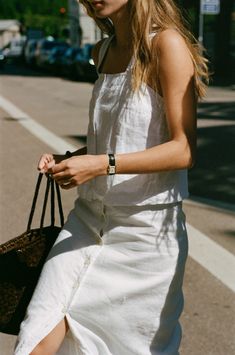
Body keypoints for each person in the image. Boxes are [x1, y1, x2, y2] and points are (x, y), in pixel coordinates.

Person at [14, 0, 208, 354]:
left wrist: (101, 165)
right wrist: (73, 159)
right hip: (86, 222)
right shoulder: (102, 51)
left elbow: (184, 150)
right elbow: (118, 137)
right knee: (37, 339)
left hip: (143, 237)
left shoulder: (166, 44)